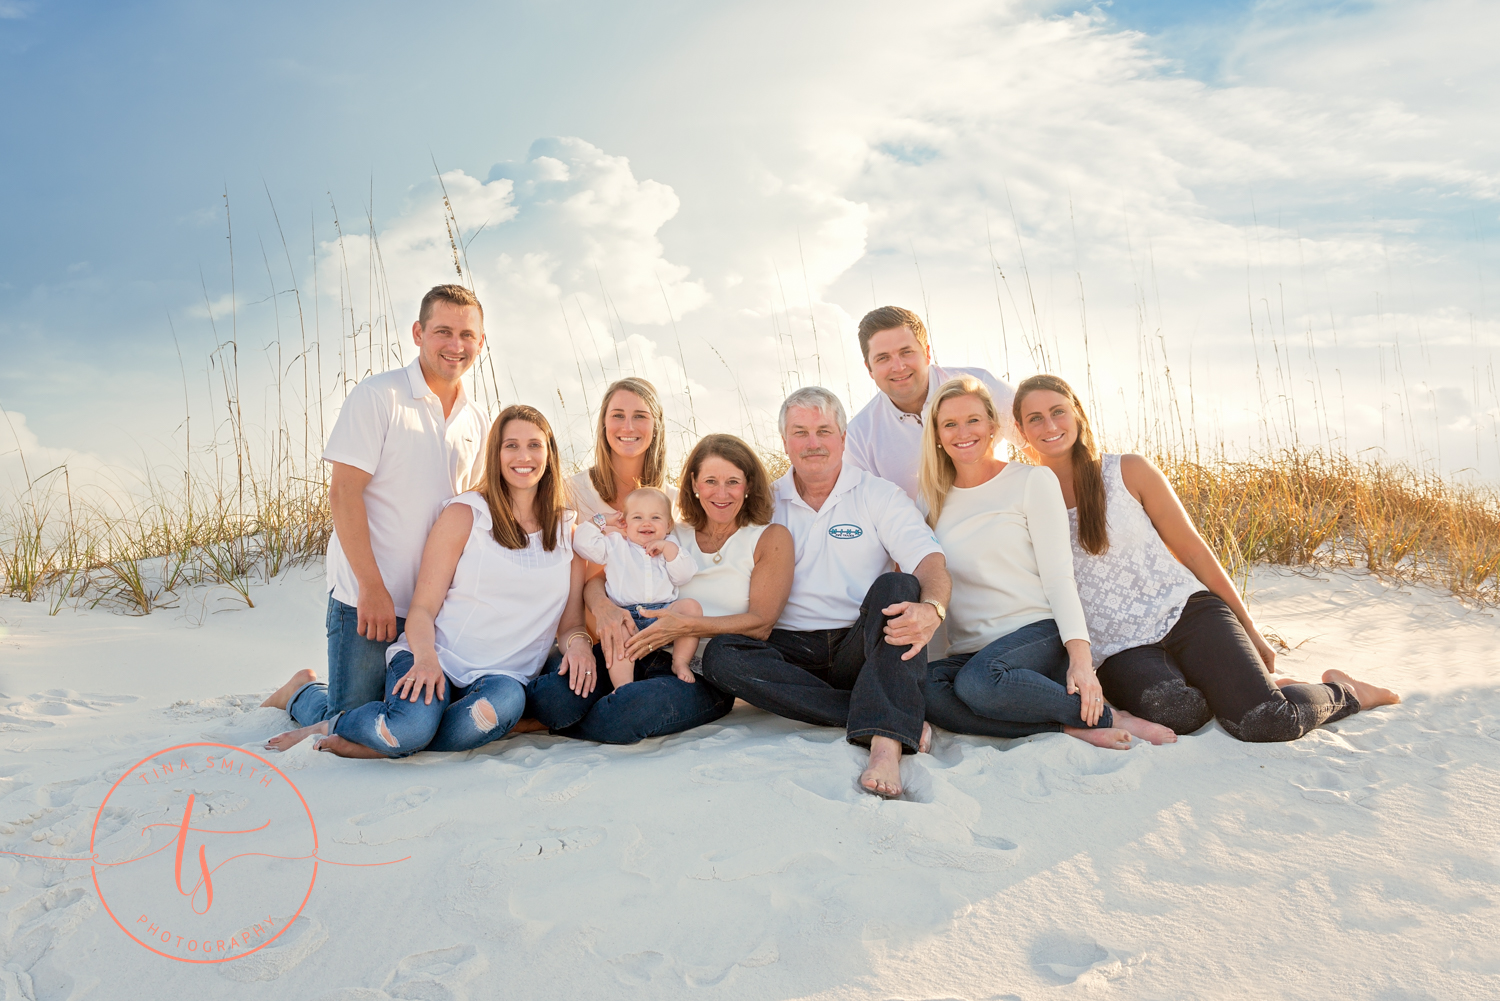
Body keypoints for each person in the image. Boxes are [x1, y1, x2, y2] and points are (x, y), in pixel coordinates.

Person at [1013, 374, 1400, 741]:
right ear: (1021, 431)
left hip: (1187, 612)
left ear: (1077, 412)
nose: (1050, 425)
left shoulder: (1128, 470)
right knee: (1179, 713)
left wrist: (1251, 629)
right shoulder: (1025, 499)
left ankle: (1347, 691)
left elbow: (1193, 550)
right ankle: (1243, 686)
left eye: (1058, 411)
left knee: (1265, 722)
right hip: (1118, 648)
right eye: (1035, 418)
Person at [265, 406, 594, 757]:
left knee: (502, 706)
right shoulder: (466, 514)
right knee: (410, 728)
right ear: (495, 454)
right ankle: (314, 703)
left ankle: (386, 741)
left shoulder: (567, 534)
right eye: (510, 445)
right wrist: (424, 658)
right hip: (436, 658)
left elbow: (571, 624)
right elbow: (422, 609)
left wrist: (579, 644)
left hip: (501, 681)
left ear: (550, 453)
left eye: (534, 445)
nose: (523, 456)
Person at [701, 387, 950, 799]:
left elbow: (930, 563)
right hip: (788, 650)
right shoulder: (764, 503)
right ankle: (884, 712)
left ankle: (886, 744)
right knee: (721, 655)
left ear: (843, 437)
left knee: (901, 586)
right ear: (784, 442)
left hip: (862, 647)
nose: (813, 443)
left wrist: (934, 609)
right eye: (800, 432)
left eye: (823, 431)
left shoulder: (877, 494)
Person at [262, 285, 492, 725]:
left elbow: (474, 509)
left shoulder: (478, 419)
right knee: (351, 718)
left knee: (412, 717)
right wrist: (371, 588)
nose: (455, 345)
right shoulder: (378, 396)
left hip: (435, 607)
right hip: (368, 597)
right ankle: (301, 690)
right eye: (443, 331)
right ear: (418, 333)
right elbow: (343, 492)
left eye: (467, 334)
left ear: (481, 342)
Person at [916, 377, 1176, 749]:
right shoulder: (932, 501)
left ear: (993, 425)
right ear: (937, 435)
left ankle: (1113, 715)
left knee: (979, 683)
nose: (964, 432)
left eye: (973, 420)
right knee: (926, 688)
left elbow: (1058, 576)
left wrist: (1081, 661)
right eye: (950, 424)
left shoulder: (1031, 480)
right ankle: (1066, 728)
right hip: (972, 650)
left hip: (1035, 634)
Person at [530, 434, 793, 742]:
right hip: (631, 644)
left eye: (733, 481)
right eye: (710, 480)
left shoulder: (765, 537)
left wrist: (686, 626)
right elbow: (601, 580)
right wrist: (605, 609)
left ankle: (583, 718)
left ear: (748, 485)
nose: (721, 493)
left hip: (697, 671)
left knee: (629, 710)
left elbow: (761, 624)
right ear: (694, 483)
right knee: (552, 698)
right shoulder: (669, 531)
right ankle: (571, 711)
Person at [845, 305, 1015, 502]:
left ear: (926, 353)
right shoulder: (858, 436)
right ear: (869, 368)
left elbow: (1037, 446)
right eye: (883, 358)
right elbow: (863, 511)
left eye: (906, 352)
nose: (898, 367)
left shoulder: (982, 385)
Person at [571, 487, 702, 686]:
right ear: (625, 524)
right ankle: (623, 685)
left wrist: (669, 549)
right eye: (637, 517)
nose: (646, 523)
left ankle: (680, 662)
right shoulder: (615, 545)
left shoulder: (670, 545)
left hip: (664, 615)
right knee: (616, 633)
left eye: (655, 517)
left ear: (668, 525)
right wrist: (603, 520)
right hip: (625, 617)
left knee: (691, 607)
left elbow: (683, 576)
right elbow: (582, 544)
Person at [565, 377, 676, 524]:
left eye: (639, 416)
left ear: (656, 426)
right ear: (604, 422)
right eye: (618, 415)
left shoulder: (676, 503)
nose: (628, 427)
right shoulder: (571, 493)